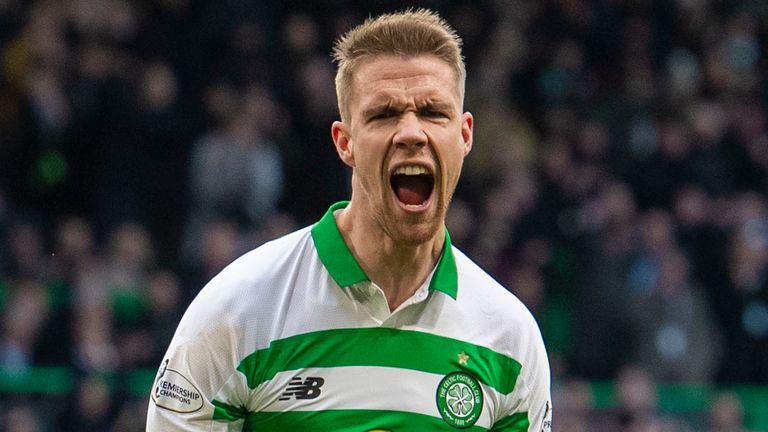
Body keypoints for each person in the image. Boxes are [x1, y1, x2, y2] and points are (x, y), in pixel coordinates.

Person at [146, 9, 552, 431]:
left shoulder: (510, 338)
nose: (411, 132)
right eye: (384, 114)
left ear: (465, 135)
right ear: (345, 142)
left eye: (433, 112)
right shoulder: (238, 309)